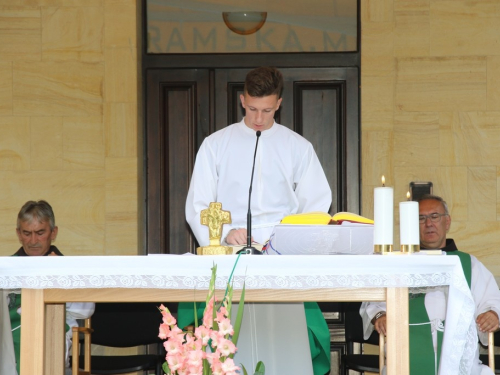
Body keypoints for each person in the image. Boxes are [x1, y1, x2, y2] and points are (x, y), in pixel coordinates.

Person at [184, 67, 332, 374]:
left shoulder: (298, 147)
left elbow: (317, 204)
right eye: (252, 109)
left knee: (282, 346)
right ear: (242, 100)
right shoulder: (215, 145)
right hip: (232, 256)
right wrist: (224, 235)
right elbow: (198, 203)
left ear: (279, 103)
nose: (259, 119)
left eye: (266, 110)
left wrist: (286, 237)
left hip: (281, 257)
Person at [360, 194, 500, 375]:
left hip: (457, 353)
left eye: (435, 216)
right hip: (407, 352)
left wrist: (492, 314)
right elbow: (373, 299)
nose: (428, 223)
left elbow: (492, 298)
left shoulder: (468, 264)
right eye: (421, 218)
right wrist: (380, 315)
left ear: (447, 222)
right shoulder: (399, 263)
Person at [1, 200, 95, 375]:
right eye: (27, 233)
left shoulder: (68, 268)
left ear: (54, 232)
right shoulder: (6, 268)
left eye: (40, 232)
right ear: (18, 234)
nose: (33, 240)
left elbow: (86, 308)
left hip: (51, 333)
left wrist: (59, 280)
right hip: (6, 336)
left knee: (34, 342)